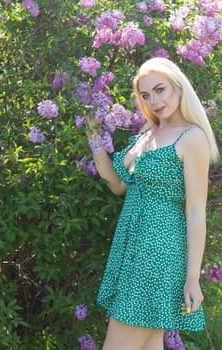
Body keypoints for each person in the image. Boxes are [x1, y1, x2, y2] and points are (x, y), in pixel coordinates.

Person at [86, 57, 220, 350]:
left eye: (160, 89)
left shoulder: (192, 137)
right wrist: (93, 137)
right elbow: (119, 184)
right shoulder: (147, 135)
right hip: (133, 248)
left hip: (158, 253)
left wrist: (192, 278)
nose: (154, 100)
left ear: (178, 87)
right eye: (146, 95)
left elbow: (196, 211)